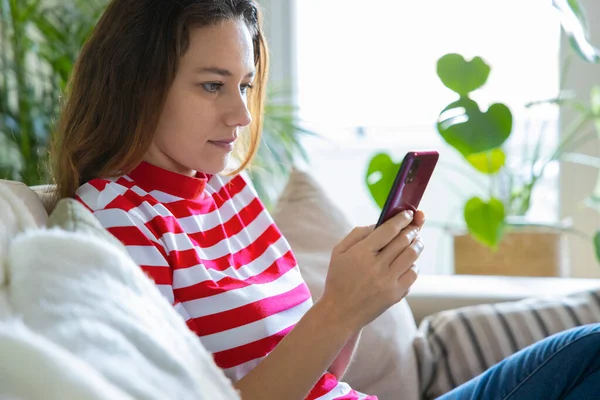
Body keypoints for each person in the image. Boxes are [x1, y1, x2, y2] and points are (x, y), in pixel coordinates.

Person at [51, 1, 600, 399]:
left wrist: (357, 305)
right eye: (212, 85)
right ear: (137, 84)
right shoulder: (116, 220)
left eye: (244, 85)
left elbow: (317, 378)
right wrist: (338, 309)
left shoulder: (231, 193)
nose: (241, 115)